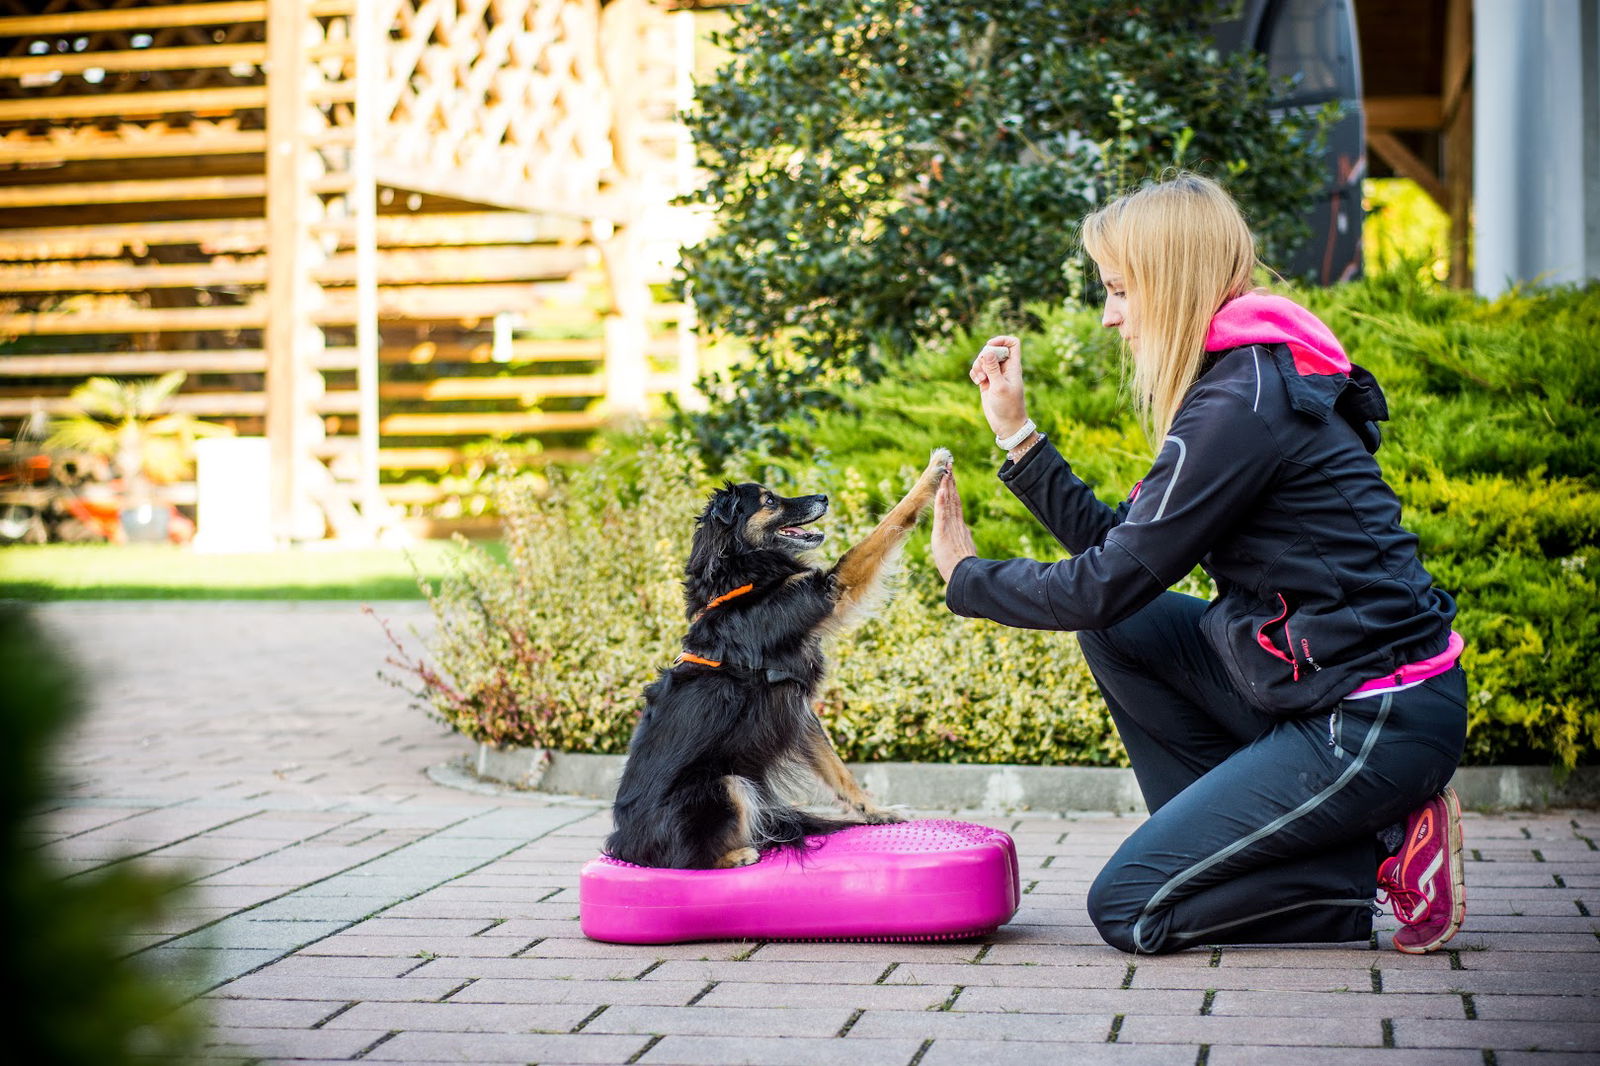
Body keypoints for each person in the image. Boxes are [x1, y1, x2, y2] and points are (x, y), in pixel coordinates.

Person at [928, 172, 1468, 956]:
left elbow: (1106, 579)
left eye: (1119, 289)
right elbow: (1127, 559)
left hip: (1374, 718)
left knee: (1129, 909)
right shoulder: (1242, 382)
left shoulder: (1243, 402)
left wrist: (967, 579)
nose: (1110, 315)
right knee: (1125, 631)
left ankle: (1377, 849)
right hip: (1311, 691)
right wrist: (1018, 437)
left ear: (1172, 280)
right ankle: (1275, 860)